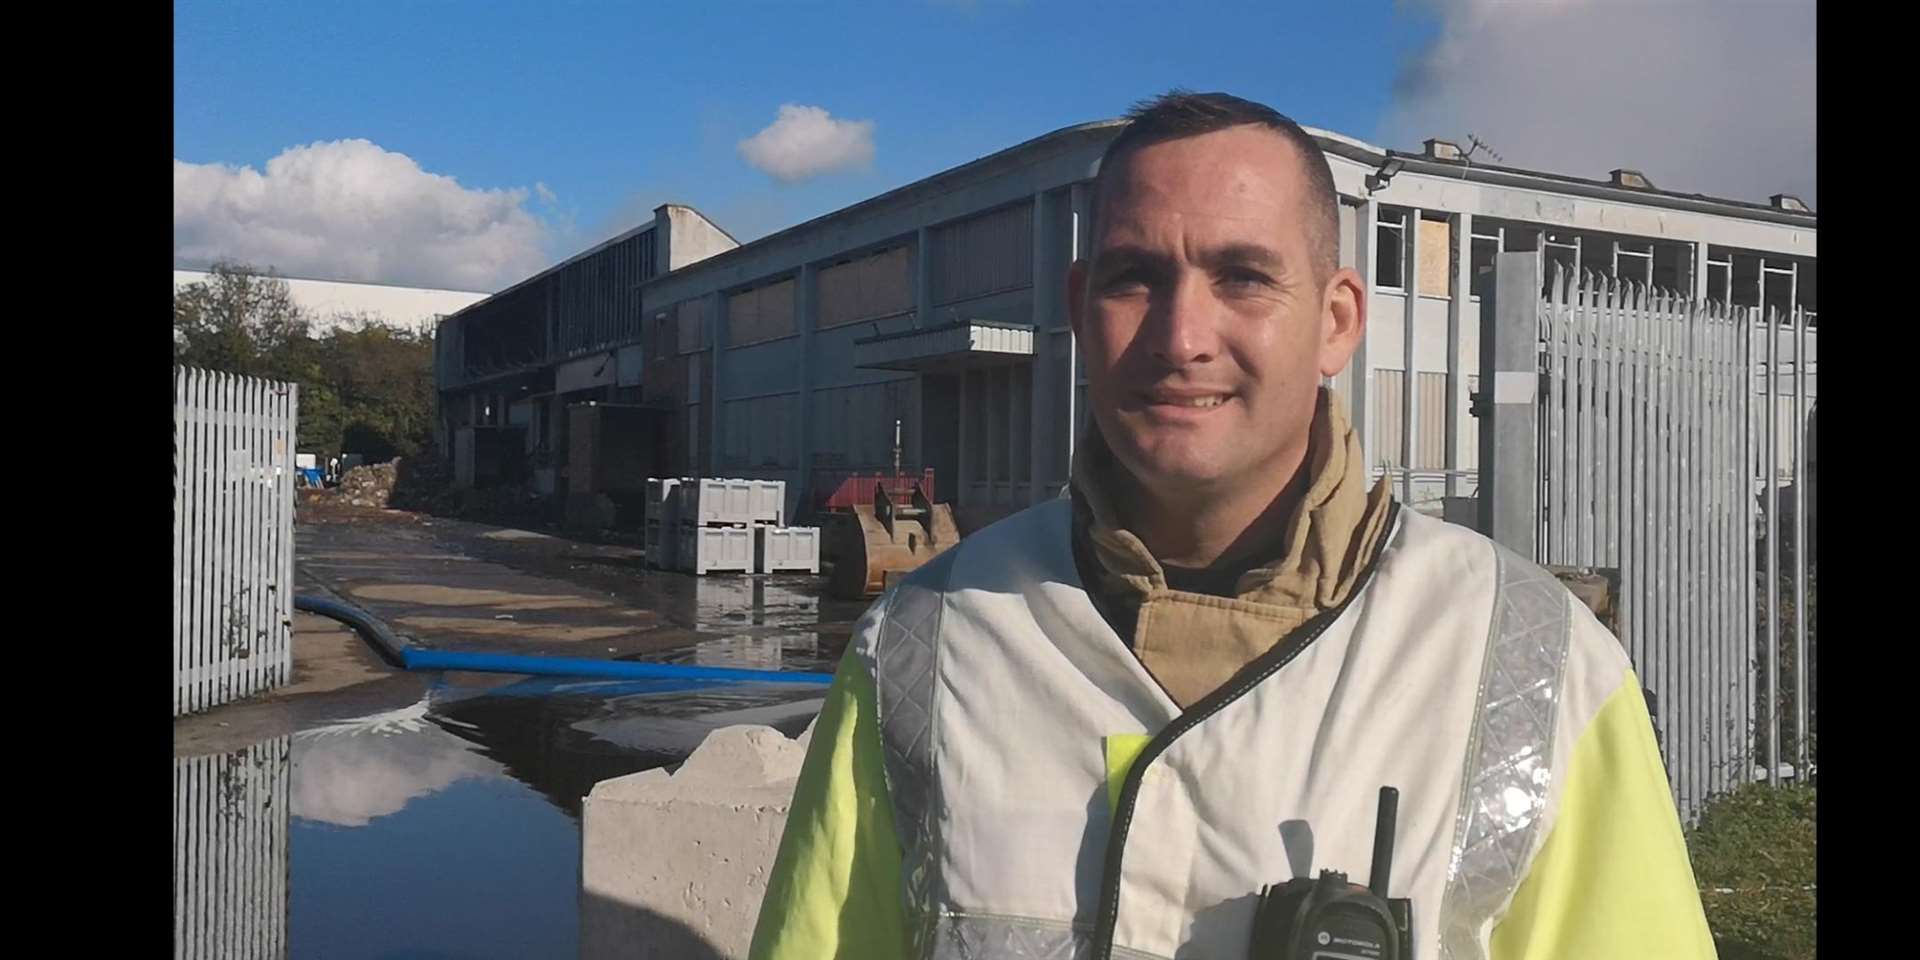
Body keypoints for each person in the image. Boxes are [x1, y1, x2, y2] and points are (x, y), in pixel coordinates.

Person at [749, 91, 1715, 960]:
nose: (1181, 337)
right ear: (1082, 311)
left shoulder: (1536, 665)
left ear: (1337, 320)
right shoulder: (925, 644)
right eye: (1135, 278)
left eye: (1243, 277)